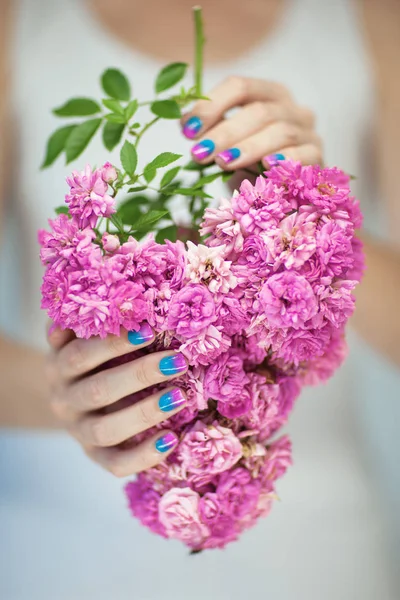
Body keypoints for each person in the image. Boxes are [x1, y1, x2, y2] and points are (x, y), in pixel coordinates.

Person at [0, 0, 399, 598]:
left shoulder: (371, 17)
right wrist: (67, 396)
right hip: (67, 549)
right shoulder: (20, 20)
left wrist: (312, 226)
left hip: (316, 554)